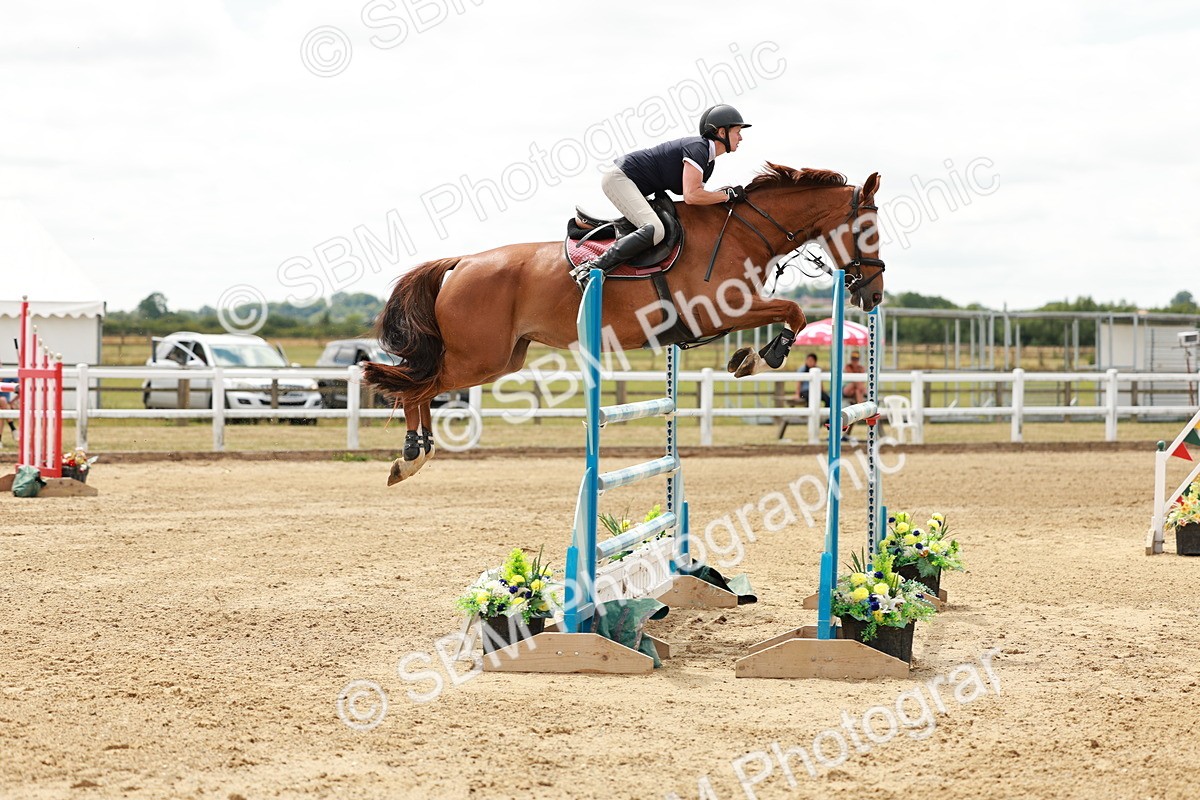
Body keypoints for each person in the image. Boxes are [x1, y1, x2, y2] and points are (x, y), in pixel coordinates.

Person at [570, 104, 752, 287]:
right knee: (655, 229)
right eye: (737, 132)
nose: (741, 137)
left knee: (659, 224)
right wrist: (727, 195)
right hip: (620, 178)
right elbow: (692, 196)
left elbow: (697, 199)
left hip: (632, 183)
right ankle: (591, 268)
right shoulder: (699, 149)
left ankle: (596, 228)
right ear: (721, 132)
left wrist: (725, 197)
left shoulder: (708, 162)